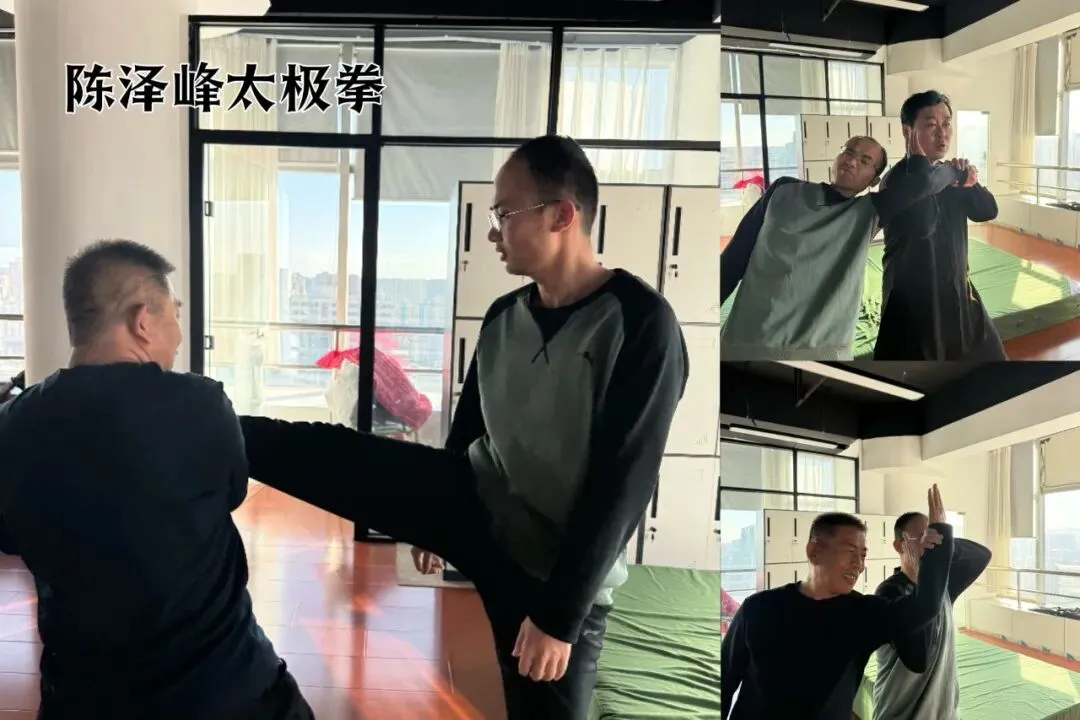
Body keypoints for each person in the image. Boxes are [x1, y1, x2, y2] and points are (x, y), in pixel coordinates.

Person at [238, 135, 689, 720]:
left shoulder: (641, 323)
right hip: (480, 508)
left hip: (554, 571)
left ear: (561, 215)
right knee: (338, 458)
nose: (493, 232)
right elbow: (469, 432)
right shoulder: (503, 317)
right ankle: (216, 425)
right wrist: (434, 524)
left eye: (504, 213)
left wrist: (559, 619)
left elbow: (623, 485)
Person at [0, 241, 311, 719]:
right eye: (175, 314)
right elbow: (231, 491)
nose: (179, 335)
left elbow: (9, 536)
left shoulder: (11, 426)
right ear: (143, 320)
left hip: (82, 699)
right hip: (224, 691)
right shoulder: (201, 404)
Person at [720, 133, 963, 360]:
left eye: (865, 161)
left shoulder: (869, 212)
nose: (851, 161)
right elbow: (733, 260)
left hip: (821, 354)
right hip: (745, 343)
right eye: (848, 151)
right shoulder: (783, 191)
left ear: (874, 180)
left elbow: (925, 185)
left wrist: (953, 171)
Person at [720, 486, 954, 720]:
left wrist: (937, 547)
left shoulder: (864, 615)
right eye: (850, 551)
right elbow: (722, 683)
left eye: (863, 555)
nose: (858, 564)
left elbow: (923, 607)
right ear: (814, 552)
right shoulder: (758, 609)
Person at [873, 90, 1006, 360]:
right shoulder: (896, 180)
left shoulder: (950, 174)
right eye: (931, 125)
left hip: (957, 289)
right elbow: (923, 224)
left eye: (946, 124)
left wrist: (969, 184)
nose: (942, 133)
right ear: (907, 132)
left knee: (990, 361)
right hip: (914, 299)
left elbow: (987, 211)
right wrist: (921, 164)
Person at [872, 511, 993, 720]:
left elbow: (981, 555)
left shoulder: (943, 587)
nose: (929, 545)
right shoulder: (890, 593)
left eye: (933, 538)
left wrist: (944, 541)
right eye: (920, 538)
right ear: (899, 546)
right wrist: (934, 562)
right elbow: (919, 659)